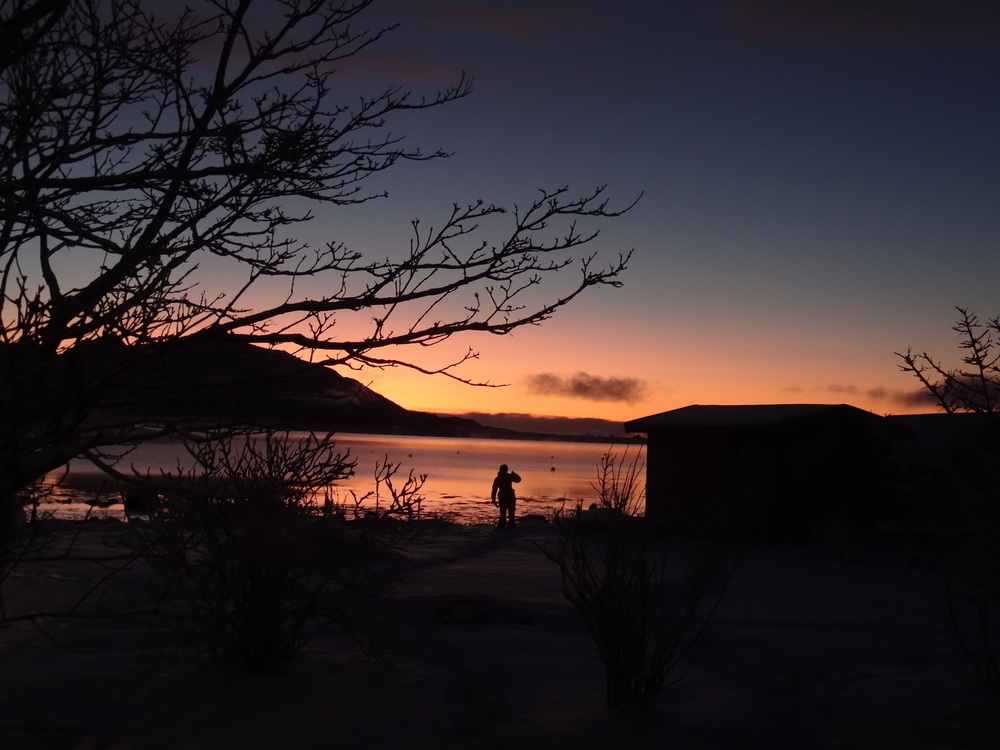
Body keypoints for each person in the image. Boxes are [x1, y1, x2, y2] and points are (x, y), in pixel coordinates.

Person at [491, 463, 521, 528]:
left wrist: (493, 499)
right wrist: (493, 499)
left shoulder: (500, 478)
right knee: (508, 514)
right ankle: (507, 526)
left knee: (506, 514)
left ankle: (505, 526)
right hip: (507, 497)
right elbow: (518, 480)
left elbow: (518, 480)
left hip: (505, 497)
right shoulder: (507, 477)